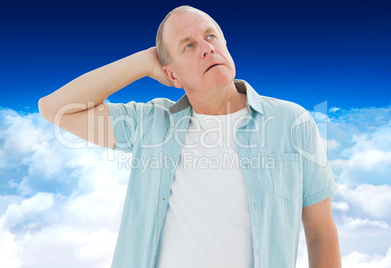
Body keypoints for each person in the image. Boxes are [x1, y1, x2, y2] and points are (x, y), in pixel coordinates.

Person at [38, 5, 342, 268]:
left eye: (210, 37)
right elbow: (55, 109)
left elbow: (320, 233)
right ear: (171, 75)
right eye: (188, 46)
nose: (207, 47)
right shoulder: (150, 125)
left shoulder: (292, 122)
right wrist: (142, 63)